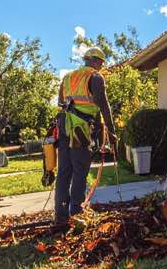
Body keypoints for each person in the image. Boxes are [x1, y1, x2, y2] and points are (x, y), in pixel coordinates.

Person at [54, 46, 117, 227]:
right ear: (97, 61)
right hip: (80, 131)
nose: (100, 66)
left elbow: (60, 102)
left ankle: (60, 215)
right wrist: (111, 133)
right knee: (80, 171)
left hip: (64, 127)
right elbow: (104, 107)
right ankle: (76, 214)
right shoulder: (95, 78)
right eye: (101, 63)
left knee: (64, 172)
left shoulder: (67, 77)